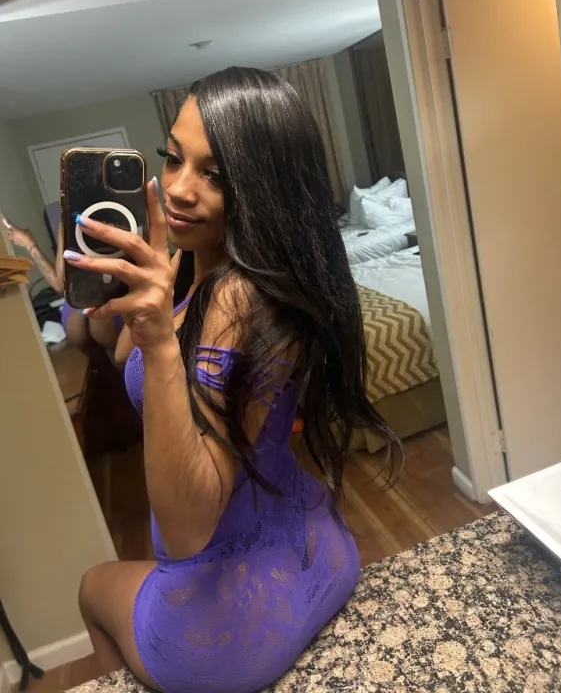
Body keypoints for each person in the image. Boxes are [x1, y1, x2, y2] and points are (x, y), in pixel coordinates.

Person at [66, 67, 399, 693]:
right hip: (318, 549)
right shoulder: (200, 265)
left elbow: (189, 533)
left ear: (263, 187)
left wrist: (159, 342)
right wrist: (120, 294)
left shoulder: (238, 298)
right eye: (173, 158)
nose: (177, 188)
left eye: (214, 174)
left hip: (230, 624)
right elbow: (117, 353)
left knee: (91, 587)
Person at [3, 216, 121, 352]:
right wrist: (29, 244)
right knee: (84, 332)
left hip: (110, 294)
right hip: (82, 296)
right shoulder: (67, 219)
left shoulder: (74, 218)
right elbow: (60, 284)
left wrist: (29, 244)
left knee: (101, 333)